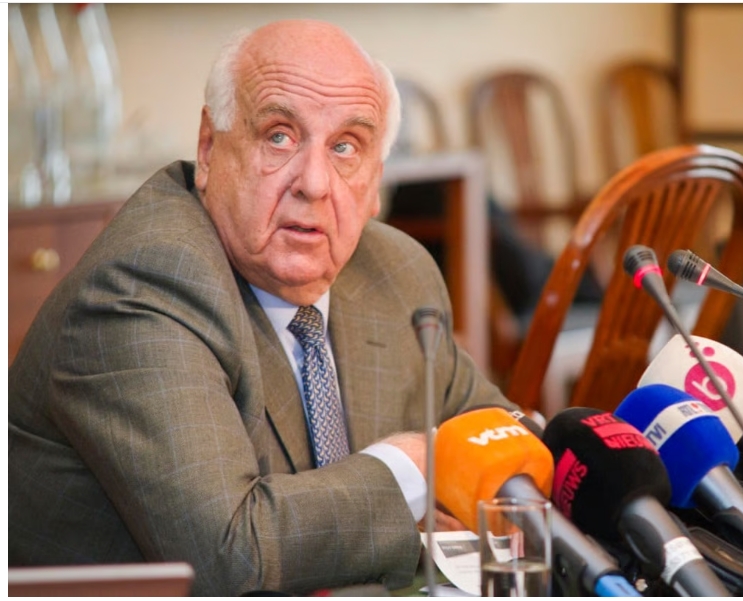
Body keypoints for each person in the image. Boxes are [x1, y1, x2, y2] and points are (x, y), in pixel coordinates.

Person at [8, 20, 515, 596]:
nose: (315, 183)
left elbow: (501, 441)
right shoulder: (145, 285)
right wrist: (412, 470)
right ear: (209, 148)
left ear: (376, 183)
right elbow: (232, 555)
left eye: (346, 146)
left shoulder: (395, 272)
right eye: (279, 136)